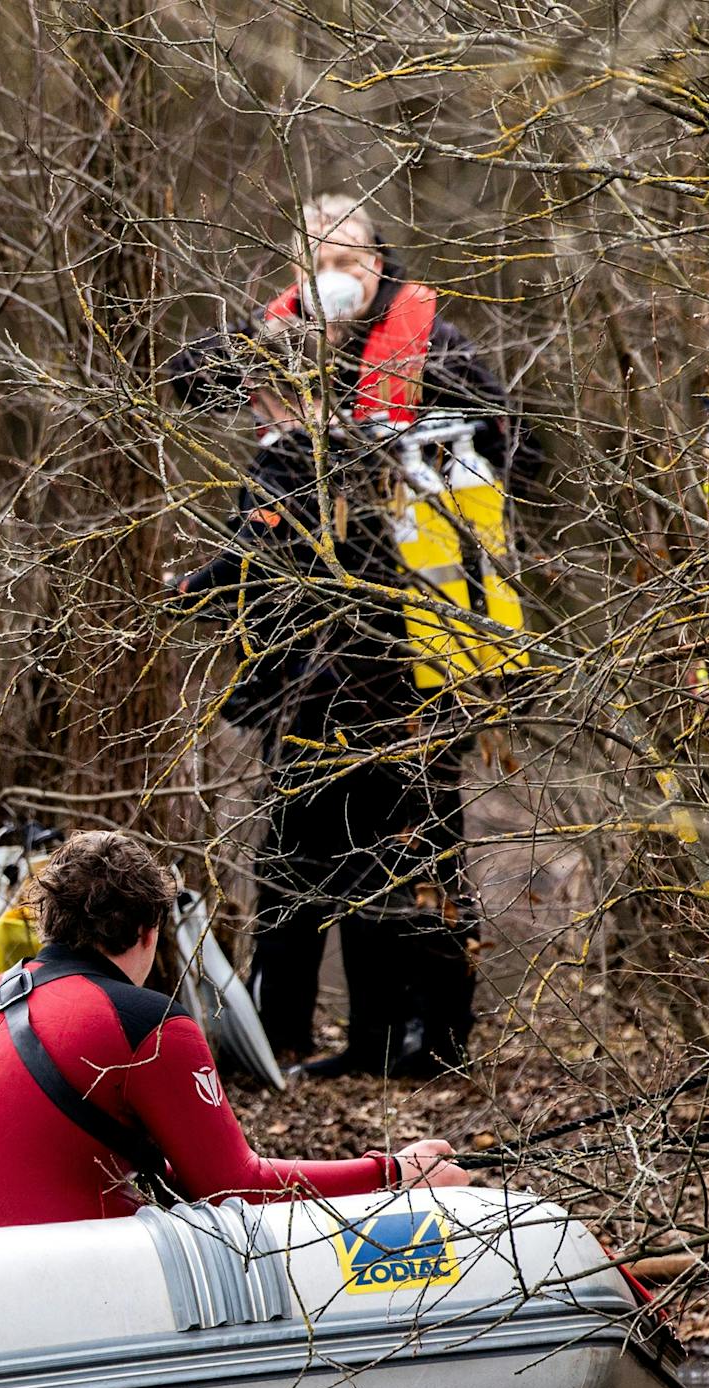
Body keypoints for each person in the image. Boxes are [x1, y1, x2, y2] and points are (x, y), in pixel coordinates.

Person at [168, 192, 532, 1079]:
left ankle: (429, 1039)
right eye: (320, 260)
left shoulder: (434, 347)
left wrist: (379, 444)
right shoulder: (279, 349)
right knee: (298, 850)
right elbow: (185, 380)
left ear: (378, 263)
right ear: (299, 270)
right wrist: (278, 348)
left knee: (415, 846)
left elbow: (505, 438)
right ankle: (302, 1037)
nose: (338, 276)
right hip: (300, 661)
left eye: (351, 258)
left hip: (409, 655)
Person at [0, 831, 469, 1238]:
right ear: (151, 931)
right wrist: (392, 1171)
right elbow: (233, 1186)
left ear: (48, 920)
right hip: (37, 1293)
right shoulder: (147, 1020)